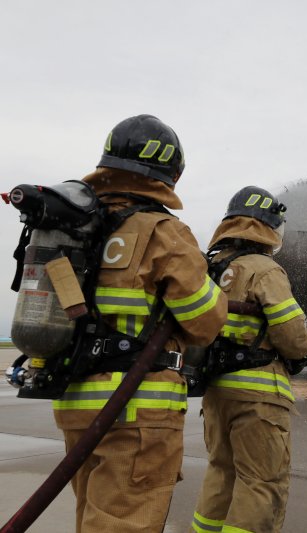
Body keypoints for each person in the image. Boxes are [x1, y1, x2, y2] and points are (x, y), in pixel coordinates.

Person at [52, 115, 228, 532]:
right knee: (122, 523)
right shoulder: (162, 230)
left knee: (92, 519)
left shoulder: (78, 228)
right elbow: (204, 323)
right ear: (171, 173)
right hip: (137, 411)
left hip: (74, 403)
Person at [191, 186, 307, 533]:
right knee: (261, 482)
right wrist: (304, 352)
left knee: (220, 473)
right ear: (269, 227)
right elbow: (292, 335)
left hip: (216, 393)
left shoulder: (211, 268)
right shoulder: (264, 269)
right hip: (258, 398)